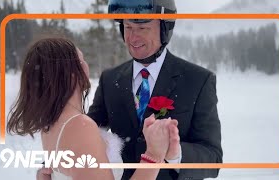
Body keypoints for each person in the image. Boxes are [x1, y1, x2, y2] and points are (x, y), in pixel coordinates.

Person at [7, 37, 178, 180]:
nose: (86, 66)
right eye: (82, 60)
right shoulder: (79, 126)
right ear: (70, 74)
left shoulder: (51, 123)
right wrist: (154, 155)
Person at [87, 0, 223, 179]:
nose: (133, 38)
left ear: (165, 28)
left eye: (143, 29)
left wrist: (176, 154)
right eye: (128, 28)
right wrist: (55, 161)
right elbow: (87, 133)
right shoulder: (109, 79)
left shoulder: (198, 80)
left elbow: (213, 159)